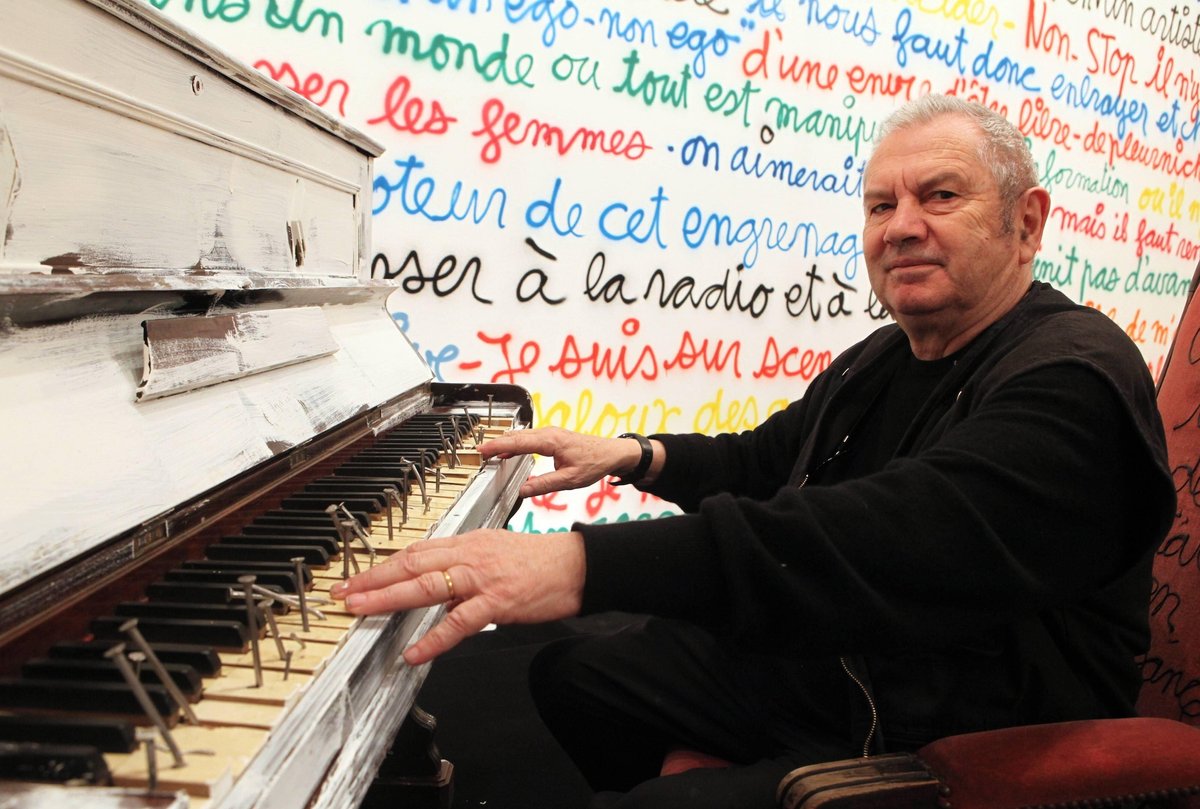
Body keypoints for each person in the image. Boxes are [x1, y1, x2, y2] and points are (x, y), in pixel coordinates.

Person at [331, 95, 1176, 808]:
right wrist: (636, 454)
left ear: (1025, 222)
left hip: (961, 723)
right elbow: (770, 459)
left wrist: (576, 561)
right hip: (850, 663)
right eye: (881, 206)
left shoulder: (1074, 379)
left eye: (939, 196)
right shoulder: (884, 357)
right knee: (575, 675)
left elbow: (878, 539)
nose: (901, 227)